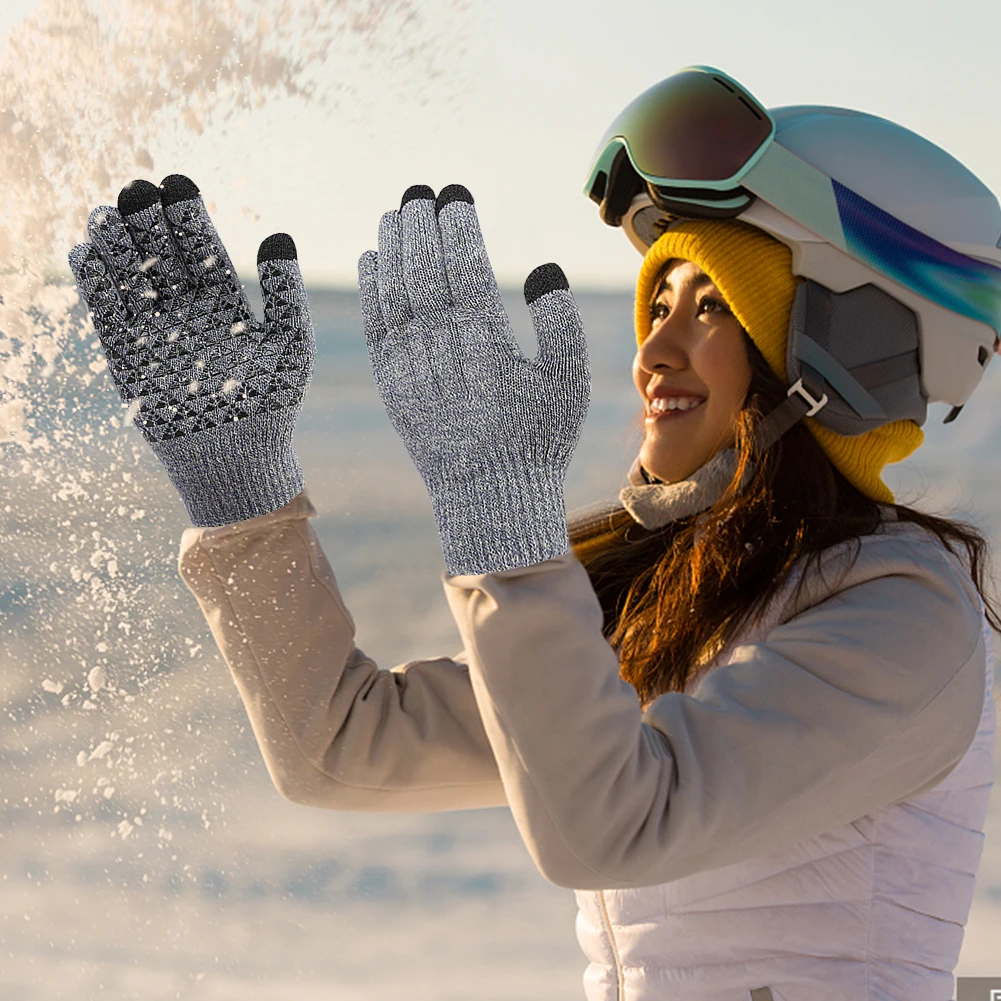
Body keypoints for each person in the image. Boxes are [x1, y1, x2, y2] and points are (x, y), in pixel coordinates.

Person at [68, 66, 1000, 1001]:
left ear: (840, 346)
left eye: (711, 304)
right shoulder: (687, 600)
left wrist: (497, 516)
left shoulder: (906, 618)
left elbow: (617, 822)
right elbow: (339, 745)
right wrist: (239, 485)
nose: (652, 351)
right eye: (657, 304)